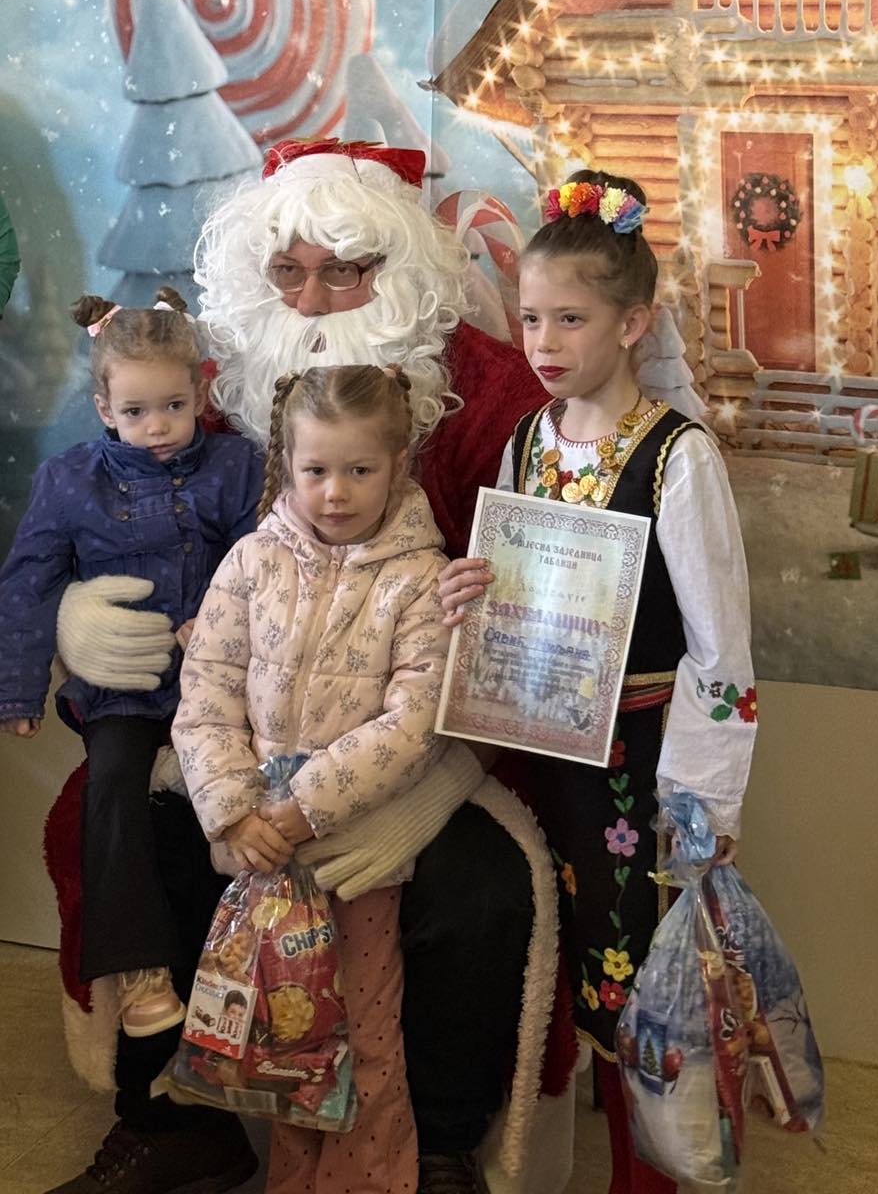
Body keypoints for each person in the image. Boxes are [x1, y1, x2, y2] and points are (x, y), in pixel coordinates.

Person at [50, 141, 550, 1194]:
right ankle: (175, 1121)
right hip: (246, 736)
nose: (313, 299)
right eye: (288, 271)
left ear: (399, 271)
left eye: (345, 270)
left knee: (479, 894)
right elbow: (133, 527)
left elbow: (542, 618)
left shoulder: (493, 391)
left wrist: (434, 782)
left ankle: (440, 1144)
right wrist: (73, 615)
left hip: (428, 747)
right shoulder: (218, 376)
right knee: (131, 827)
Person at [438, 170, 758, 1194]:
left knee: (639, 978)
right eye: (531, 317)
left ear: (633, 322)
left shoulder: (675, 455)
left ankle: (651, 1178)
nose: (543, 341)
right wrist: (473, 588)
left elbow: (721, 647)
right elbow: (513, 582)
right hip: (542, 746)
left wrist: (701, 799)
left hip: (637, 768)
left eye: (570, 318)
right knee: (559, 963)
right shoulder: (529, 439)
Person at [0, 289, 263, 1188]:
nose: (158, 429)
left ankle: (237, 1049)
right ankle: (144, 975)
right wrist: (19, 686)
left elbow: (263, 555)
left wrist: (220, 617)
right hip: (120, 689)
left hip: (213, 683)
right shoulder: (70, 479)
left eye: (175, 407)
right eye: (138, 411)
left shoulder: (234, 466)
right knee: (113, 789)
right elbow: (29, 579)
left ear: (202, 393)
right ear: (104, 407)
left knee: (216, 810)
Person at [173, 364, 451, 1194]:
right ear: (287, 466)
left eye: (359, 469)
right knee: (280, 1040)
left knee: (362, 1037)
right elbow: (206, 694)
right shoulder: (251, 562)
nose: (335, 492)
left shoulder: (421, 578)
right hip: (259, 857)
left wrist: (304, 810)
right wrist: (233, 812)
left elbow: (415, 721)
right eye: (316, 469)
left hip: (352, 855)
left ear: (398, 463)